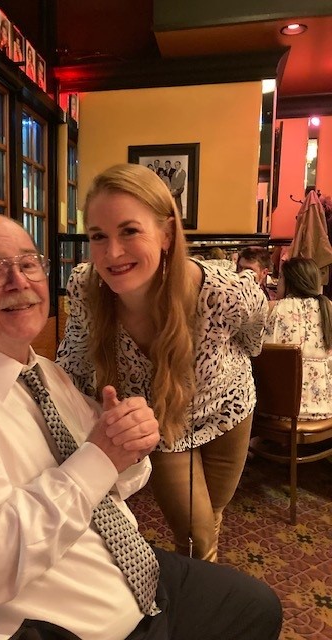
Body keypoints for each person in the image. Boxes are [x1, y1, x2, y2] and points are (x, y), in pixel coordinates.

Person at [0, 213, 282, 640]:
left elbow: (117, 480)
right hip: (61, 626)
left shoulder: (48, 376)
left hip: (129, 575)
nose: (19, 281)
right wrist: (98, 458)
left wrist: (129, 443)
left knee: (256, 606)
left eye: (29, 263)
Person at [56, 163, 269, 563]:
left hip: (229, 408)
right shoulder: (86, 288)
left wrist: (244, 356)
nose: (112, 252)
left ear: (166, 234)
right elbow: (73, 357)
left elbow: (256, 324)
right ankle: (201, 604)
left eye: (130, 231)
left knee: (214, 515)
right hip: (166, 423)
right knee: (195, 532)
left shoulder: (218, 293)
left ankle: (201, 582)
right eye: (98, 236)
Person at [264, 257, 332, 419]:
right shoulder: (327, 307)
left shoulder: (273, 308)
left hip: (279, 412)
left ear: (287, 281)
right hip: (327, 410)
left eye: (280, 277)